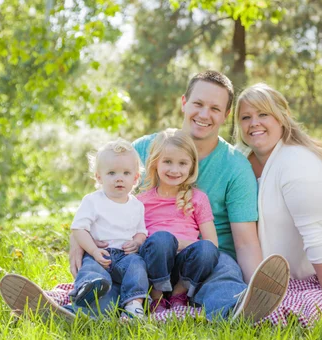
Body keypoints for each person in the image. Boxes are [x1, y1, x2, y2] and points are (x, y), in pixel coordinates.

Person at [72, 71, 290, 322]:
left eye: (215, 108)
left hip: (200, 261)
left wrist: (255, 283)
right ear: (184, 102)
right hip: (145, 253)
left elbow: (245, 242)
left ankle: (240, 308)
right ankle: (86, 313)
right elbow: (105, 196)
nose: (204, 114)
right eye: (198, 104)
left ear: (226, 115)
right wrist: (77, 239)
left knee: (225, 268)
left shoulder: (236, 167)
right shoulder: (143, 148)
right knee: (110, 265)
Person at [0, 139, 149, 319]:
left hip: (125, 256)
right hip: (99, 254)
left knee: (137, 266)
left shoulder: (137, 206)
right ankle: (86, 291)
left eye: (126, 173)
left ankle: (134, 305)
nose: (119, 178)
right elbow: (79, 229)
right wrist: (93, 250)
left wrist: (137, 242)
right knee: (94, 275)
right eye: (111, 173)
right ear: (99, 177)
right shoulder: (93, 201)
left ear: (135, 178)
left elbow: (142, 231)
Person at [234, 83, 322, 294]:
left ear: (282, 117)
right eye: (246, 117)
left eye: (263, 114)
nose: (254, 123)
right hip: (251, 270)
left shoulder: (300, 163)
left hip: (301, 274)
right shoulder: (240, 160)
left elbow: (316, 233)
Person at [136, 129, 220, 314]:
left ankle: (178, 293)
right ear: (155, 163)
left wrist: (180, 244)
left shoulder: (198, 198)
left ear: (191, 166)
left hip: (185, 267)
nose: (175, 170)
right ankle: (156, 297)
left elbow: (212, 244)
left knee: (206, 250)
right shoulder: (141, 201)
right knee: (162, 240)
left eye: (182, 163)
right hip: (154, 261)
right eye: (167, 162)